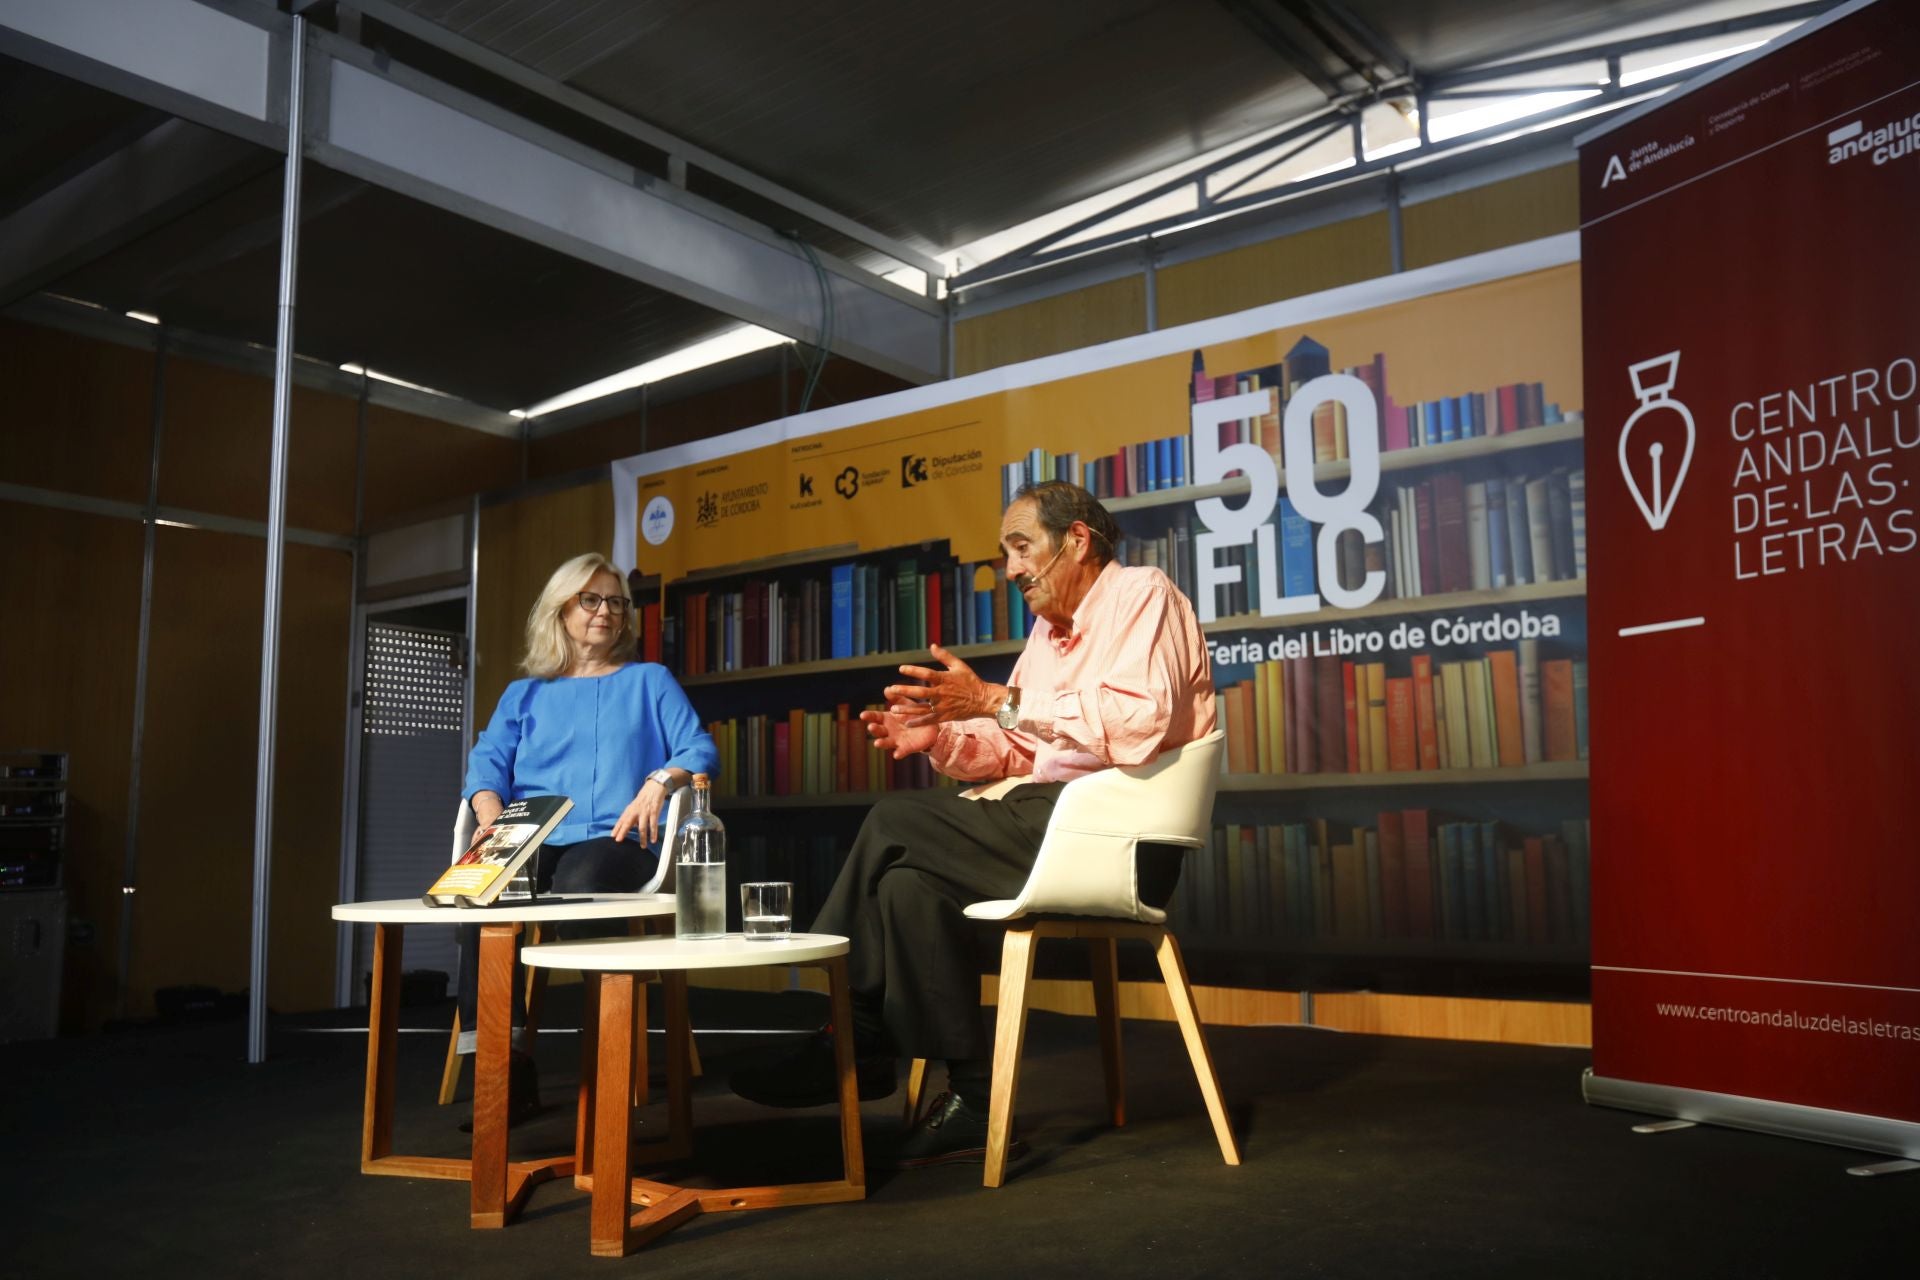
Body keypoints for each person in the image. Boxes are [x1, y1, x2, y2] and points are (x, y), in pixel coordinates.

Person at [730, 481, 1215, 1167]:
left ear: (1076, 540)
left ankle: (853, 1028)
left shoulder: (1142, 594)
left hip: (1126, 837)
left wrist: (996, 698)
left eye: (1022, 548)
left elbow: (1137, 726)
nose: (1010, 568)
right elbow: (1021, 746)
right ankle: (975, 1097)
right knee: (907, 886)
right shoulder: (1048, 634)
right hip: (1048, 822)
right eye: (1006, 554)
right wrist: (938, 737)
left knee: (895, 819)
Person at [454, 551, 718, 1121]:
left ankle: (605, 1058)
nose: (605, 611)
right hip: (528, 833)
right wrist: (491, 812)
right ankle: (500, 1067)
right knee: (479, 892)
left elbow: (698, 748)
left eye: (616, 602)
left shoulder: (650, 681)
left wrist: (657, 781)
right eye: (590, 599)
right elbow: (486, 764)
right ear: (561, 610)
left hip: (614, 840)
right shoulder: (523, 694)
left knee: (582, 881)